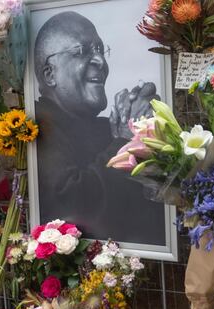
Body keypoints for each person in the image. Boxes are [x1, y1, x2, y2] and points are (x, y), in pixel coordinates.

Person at [33, 11, 165, 244]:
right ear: (49, 74)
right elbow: (72, 201)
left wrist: (143, 122)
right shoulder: (37, 127)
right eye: (82, 51)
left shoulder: (102, 126)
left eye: (100, 50)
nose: (100, 61)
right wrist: (125, 140)